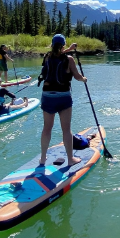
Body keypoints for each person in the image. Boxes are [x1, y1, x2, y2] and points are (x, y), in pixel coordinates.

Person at [38, 34, 88, 166]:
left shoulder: (47, 57)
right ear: (64, 45)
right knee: (66, 129)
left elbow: (57, 55)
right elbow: (77, 76)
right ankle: (70, 160)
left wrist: (69, 48)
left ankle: (43, 158)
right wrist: (84, 79)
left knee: (46, 128)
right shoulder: (69, 59)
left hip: (47, 96)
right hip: (63, 97)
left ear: (52, 44)